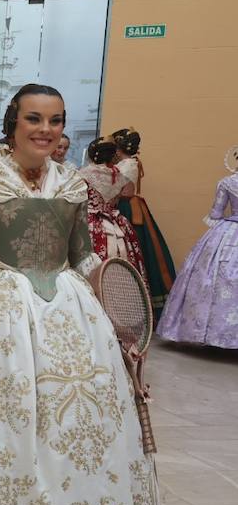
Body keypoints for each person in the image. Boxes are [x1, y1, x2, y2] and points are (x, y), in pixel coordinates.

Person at [0, 84, 159, 505]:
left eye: (55, 121)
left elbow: (82, 255)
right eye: (34, 119)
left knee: (84, 417)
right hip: (2, 310)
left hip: (70, 306)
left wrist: (116, 316)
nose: (46, 130)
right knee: (10, 419)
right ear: (14, 123)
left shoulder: (72, 185)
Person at [158, 151, 238, 348]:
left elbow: (216, 212)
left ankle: (208, 333)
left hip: (228, 233)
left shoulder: (227, 182)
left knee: (208, 277)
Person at [115, 129, 177, 314]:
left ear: (118, 150)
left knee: (133, 247)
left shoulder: (123, 166)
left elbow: (121, 191)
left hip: (125, 207)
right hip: (134, 206)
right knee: (144, 248)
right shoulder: (133, 162)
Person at [78, 135, 145, 271]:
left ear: (91, 155)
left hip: (88, 222)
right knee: (121, 253)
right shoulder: (118, 176)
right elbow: (125, 194)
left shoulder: (83, 174)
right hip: (114, 222)